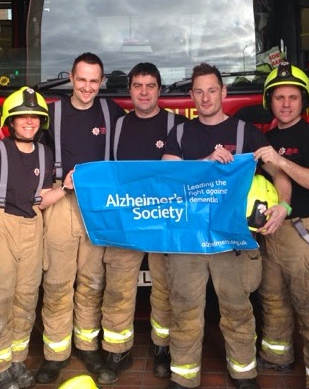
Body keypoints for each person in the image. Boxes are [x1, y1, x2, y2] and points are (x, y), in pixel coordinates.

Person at [162, 63, 291, 389]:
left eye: (211, 90)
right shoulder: (181, 133)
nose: (205, 97)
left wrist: (284, 205)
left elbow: (279, 172)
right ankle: (183, 377)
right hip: (190, 239)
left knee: (237, 310)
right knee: (185, 310)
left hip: (232, 240)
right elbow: (168, 177)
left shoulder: (246, 133)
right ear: (192, 96)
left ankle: (244, 373)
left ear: (223, 92)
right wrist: (206, 162)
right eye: (199, 91)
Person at [0, 87, 74, 389]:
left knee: (26, 301)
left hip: (31, 230)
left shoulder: (44, 153)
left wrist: (65, 188)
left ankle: (16, 360)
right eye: (22, 116)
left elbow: (40, 199)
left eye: (35, 117)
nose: (29, 121)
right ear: (10, 121)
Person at [36, 52, 124, 384]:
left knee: (92, 281)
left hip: (98, 205)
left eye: (94, 81)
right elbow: (32, 155)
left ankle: (87, 347)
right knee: (57, 282)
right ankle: (55, 354)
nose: (87, 87)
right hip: (62, 201)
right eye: (81, 79)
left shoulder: (111, 112)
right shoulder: (52, 114)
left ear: (102, 82)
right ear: (71, 78)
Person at [98, 62, 187, 384]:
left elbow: (189, 175)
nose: (144, 92)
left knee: (165, 289)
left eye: (150, 86)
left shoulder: (177, 125)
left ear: (159, 90)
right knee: (118, 288)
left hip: (165, 222)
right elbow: (108, 173)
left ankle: (163, 348)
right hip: (127, 221)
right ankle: (117, 351)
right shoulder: (118, 127)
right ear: (130, 90)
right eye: (138, 86)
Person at [254, 62, 309, 388]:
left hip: (304, 233)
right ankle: (277, 356)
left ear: (304, 101)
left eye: (293, 97)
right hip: (271, 233)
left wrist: (280, 160)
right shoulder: (265, 138)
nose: (286, 104)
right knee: (273, 300)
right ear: (269, 101)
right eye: (279, 97)